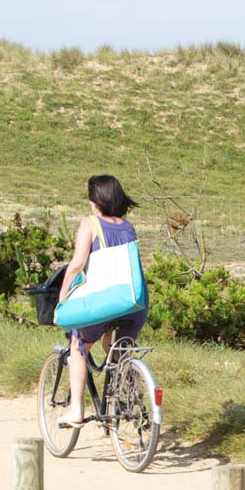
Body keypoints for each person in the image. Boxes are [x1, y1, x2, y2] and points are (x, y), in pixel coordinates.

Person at [56, 174, 148, 429]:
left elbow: (76, 265)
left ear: (95, 202)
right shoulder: (128, 227)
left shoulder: (90, 223)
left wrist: (62, 297)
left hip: (106, 299)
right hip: (134, 300)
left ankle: (76, 410)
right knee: (116, 347)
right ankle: (131, 398)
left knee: (79, 345)